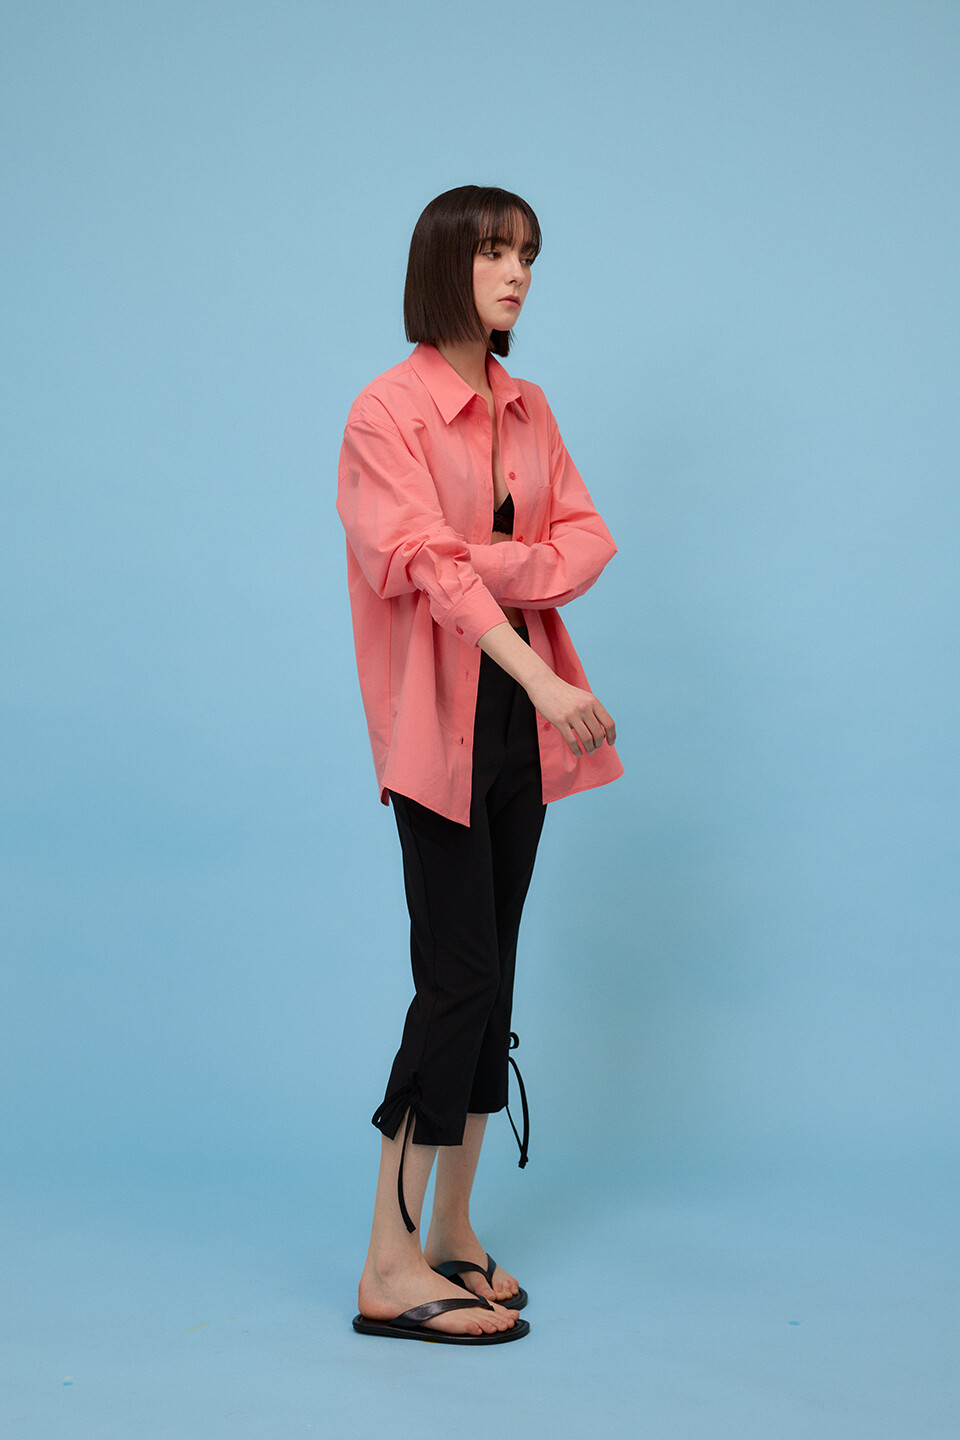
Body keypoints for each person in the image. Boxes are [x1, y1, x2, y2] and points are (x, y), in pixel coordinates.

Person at [337, 185, 623, 1344]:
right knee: (454, 980)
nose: (518, 275)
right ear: (444, 264)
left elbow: (587, 540)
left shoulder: (528, 406)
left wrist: (489, 562)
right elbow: (421, 566)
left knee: (492, 981)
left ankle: (452, 1230)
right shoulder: (386, 413)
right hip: (441, 734)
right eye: (497, 252)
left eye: (529, 256)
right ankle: (386, 1262)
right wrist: (543, 668)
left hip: (521, 740)